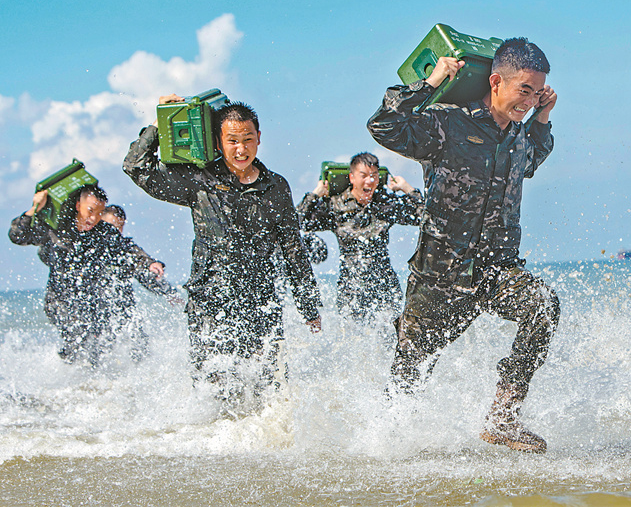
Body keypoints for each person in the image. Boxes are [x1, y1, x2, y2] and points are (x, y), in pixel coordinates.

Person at [367, 37, 560, 454]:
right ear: (495, 81)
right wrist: (429, 82)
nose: (528, 99)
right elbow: (383, 126)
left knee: (543, 305)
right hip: (441, 274)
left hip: (496, 269)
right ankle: (384, 449)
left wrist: (542, 118)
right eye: (523, 90)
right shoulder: (449, 122)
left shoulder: (519, 135)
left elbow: (532, 160)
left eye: (537, 90)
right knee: (410, 371)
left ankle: (503, 416)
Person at [123, 99, 322, 409]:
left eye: (247, 139)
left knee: (270, 392)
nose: (240, 149)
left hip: (260, 302)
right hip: (209, 304)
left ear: (259, 137)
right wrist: (162, 123)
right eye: (231, 141)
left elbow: (293, 249)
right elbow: (136, 167)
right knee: (215, 396)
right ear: (217, 141)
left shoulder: (277, 187)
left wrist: (309, 307)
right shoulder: (200, 181)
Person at [9, 184, 158, 366]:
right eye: (90, 211)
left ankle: (91, 387)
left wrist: (150, 262)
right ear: (78, 205)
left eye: (99, 212)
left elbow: (127, 248)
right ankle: (67, 381)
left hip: (91, 302)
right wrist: (34, 208)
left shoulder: (103, 231)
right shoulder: (57, 228)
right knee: (77, 341)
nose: (93, 218)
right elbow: (18, 235)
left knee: (96, 348)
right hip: (60, 301)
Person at [297, 152, 422, 321]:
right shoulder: (336, 206)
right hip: (351, 290)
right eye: (363, 176)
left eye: (374, 176)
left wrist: (408, 189)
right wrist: (314, 195)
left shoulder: (385, 204)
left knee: (394, 339)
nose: (369, 181)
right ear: (352, 178)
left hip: (385, 288)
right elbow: (298, 222)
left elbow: (423, 217)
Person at [100, 204, 182, 362]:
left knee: (139, 340)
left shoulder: (123, 248)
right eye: (111, 226)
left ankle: (139, 377)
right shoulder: (92, 245)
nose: (114, 233)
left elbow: (141, 263)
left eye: (119, 228)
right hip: (99, 311)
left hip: (124, 309)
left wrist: (168, 292)